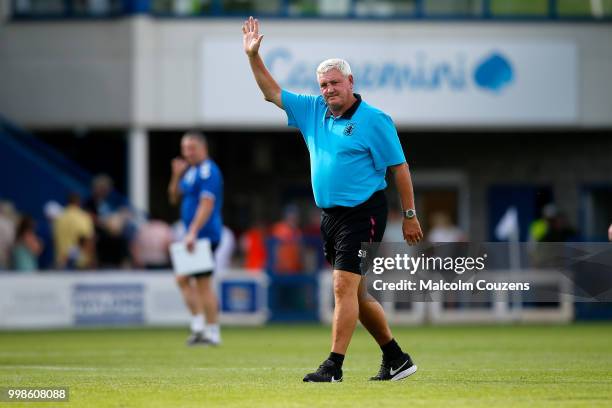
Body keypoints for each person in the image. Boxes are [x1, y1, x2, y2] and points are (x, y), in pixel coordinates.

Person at [243, 17, 423, 382]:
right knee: (356, 292)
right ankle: (396, 358)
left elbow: (399, 168)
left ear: (351, 82)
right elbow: (271, 93)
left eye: (334, 83)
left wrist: (409, 214)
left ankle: (334, 367)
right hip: (331, 217)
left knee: (342, 286)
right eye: (323, 85)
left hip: (364, 212)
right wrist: (253, 57)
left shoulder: (375, 120)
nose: (328, 90)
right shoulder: (313, 111)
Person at [168, 131, 224, 346]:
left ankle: (211, 331)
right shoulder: (191, 171)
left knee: (202, 284)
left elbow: (207, 204)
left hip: (204, 235)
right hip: (194, 235)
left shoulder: (208, 171)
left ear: (203, 148)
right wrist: (175, 175)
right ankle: (201, 327)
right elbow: (174, 197)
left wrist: (192, 231)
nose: (187, 153)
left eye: (192, 148)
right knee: (184, 279)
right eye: (185, 149)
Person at [53, 193, 95, 269]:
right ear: (79, 202)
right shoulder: (83, 217)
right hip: (79, 263)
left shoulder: (59, 218)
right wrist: (91, 261)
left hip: (61, 262)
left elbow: (55, 240)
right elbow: (87, 240)